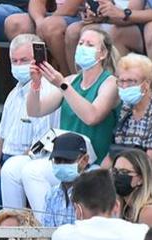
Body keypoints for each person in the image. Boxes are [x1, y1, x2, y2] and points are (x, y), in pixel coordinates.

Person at [0, 34, 61, 213]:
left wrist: (5, 166)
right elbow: (1, 136)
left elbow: (42, 143)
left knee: (7, 174)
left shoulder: (48, 92)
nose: (19, 66)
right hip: (4, 156)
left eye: (24, 60)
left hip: (27, 160)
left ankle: (1, 233)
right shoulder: (14, 92)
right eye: (15, 61)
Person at [28, 26, 119, 166]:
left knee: (33, 172)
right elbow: (36, 111)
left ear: (103, 53)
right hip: (65, 156)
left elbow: (92, 117)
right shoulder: (71, 80)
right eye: (81, 43)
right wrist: (35, 83)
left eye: (90, 45)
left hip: (91, 161)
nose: (83, 47)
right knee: (13, 168)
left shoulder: (110, 82)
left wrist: (62, 85)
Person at [112, 54, 152, 162]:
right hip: (121, 164)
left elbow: (151, 156)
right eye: (121, 81)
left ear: (146, 84)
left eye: (131, 81)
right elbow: (115, 149)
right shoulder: (125, 106)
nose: (124, 87)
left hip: (143, 169)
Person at [4, 0, 80, 76]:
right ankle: (29, 78)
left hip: (79, 17)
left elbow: (70, 9)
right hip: (51, 16)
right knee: (15, 24)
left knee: (51, 27)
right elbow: (36, 2)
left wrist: (45, 24)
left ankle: (66, 77)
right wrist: (39, 21)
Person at [39, 131, 94, 226]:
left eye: (68, 160)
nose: (62, 164)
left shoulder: (94, 194)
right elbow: (46, 234)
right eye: (58, 160)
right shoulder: (51, 195)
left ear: (85, 160)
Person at [113, 148, 152, 226]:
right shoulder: (125, 208)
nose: (118, 176)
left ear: (141, 179)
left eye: (125, 172)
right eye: (115, 171)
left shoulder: (151, 211)